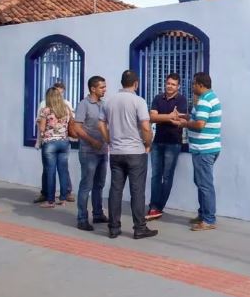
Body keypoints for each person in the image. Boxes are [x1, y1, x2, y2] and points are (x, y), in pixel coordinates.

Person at [98, 70, 157, 239]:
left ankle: (113, 227)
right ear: (136, 83)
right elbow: (146, 127)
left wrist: (109, 140)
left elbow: (101, 124)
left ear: (122, 82)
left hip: (116, 152)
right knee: (137, 191)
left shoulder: (109, 101)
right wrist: (148, 144)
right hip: (135, 152)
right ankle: (139, 228)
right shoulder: (138, 101)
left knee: (115, 190)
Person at [174, 72, 221, 231]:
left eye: (194, 83)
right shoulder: (210, 98)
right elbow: (197, 119)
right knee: (201, 182)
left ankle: (208, 219)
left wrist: (183, 124)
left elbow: (200, 124)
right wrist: (185, 116)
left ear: (201, 85)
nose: (192, 86)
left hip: (204, 149)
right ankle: (203, 214)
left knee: (205, 184)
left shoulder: (205, 101)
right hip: (206, 148)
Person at [146, 73, 189, 221]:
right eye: (168, 83)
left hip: (173, 142)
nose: (170, 86)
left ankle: (158, 207)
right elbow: (151, 117)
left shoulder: (182, 100)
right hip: (157, 142)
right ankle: (153, 206)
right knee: (155, 176)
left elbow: (180, 120)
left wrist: (163, 117)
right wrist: (169, 116)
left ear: (178, 86)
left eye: (173, 84)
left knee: (167, 176)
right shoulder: (158, 98)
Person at [71, 76, 110, 231]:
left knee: (99, 184)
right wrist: (92, 141)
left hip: (102, 150)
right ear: (93, 89)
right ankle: (82, 218)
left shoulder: (104, 105)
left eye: (105, 87)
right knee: (86, 185)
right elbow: (77, 128)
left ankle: (98, 213)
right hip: (89, 152)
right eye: (102, 87)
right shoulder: (84, 104)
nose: (104, 89)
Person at [33, 81, 75, 204]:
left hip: (50, 142)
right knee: (63, 170)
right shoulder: (66, 108)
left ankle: (50, 199)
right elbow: (71, 122)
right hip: (64, 142)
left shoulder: (45, 110)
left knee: (49, 171)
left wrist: (43, 134)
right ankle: (63, 197)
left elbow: (41, 128)